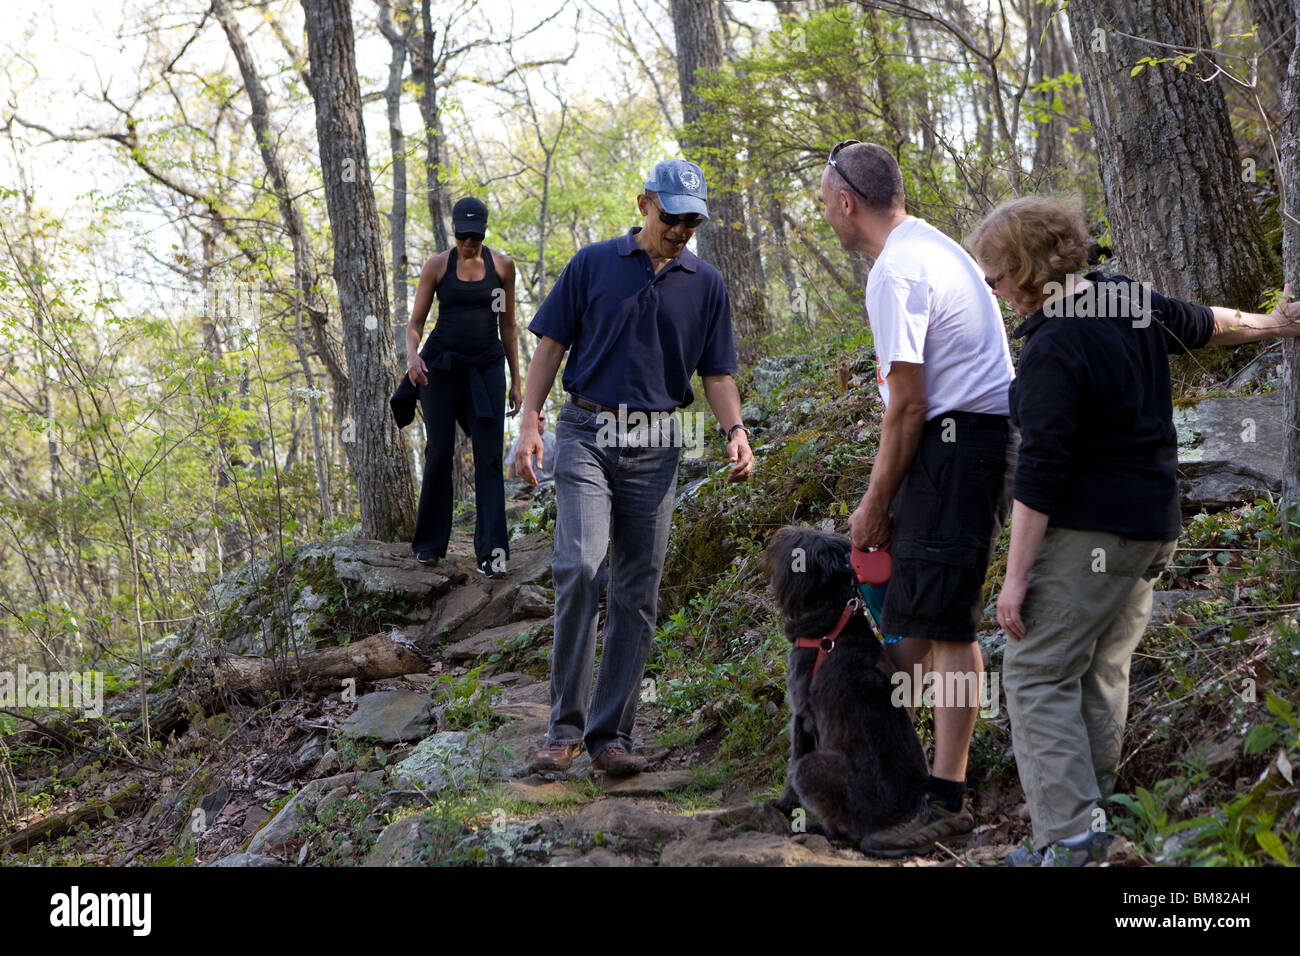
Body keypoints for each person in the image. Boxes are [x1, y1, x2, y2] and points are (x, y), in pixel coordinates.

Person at [967, 195, 1300, 866]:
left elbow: (1039, 476)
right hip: (1153, 526)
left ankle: (1068, 840)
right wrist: (1273, 324)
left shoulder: (1053, 349)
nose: (993, 289)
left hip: (1092, 534)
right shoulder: (1124, 298)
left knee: (1034, 673)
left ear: (1029, 268)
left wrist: (1014, 578)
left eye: (996, 275)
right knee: (1099, 669)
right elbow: (1205, 324)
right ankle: (1095, 822)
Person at [515, 159, 754, 776]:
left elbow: (717, 373)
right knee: (579, 567)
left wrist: (735, 430)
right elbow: (549, 347)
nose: (681, 230)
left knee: (636, 592)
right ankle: (562, 729)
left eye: (692, 222)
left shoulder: (706, 283)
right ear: (645, 203)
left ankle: (609, 738)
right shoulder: (593, 264)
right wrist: (529, 420)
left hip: (657, 441)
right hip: (587, 431)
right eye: (672, 216)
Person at [818, 141, 1018, 856]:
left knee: (950, 625)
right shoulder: (934, 245)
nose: (824, 216)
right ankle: (909, 777)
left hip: (955, 447)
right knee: (922, 620)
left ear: (847, 201)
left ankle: (946, 798)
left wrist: (875, 504)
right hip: (968, 444)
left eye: (823, 202)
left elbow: (906, 405)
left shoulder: (897, 270)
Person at [405, 197, 521, 578]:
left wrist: (517, 380)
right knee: (439, 452)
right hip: (441, 366)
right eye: (463, 235)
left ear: (485, 232)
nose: (469, 242)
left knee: (489, 458)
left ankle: (493, 555)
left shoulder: (502, 266)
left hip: (487, 367)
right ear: (453, 230)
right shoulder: (437, 267)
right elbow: (415, 324)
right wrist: (412, 357)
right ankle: (428, 546)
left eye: (476, 236)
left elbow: (507, 325)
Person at [506, 410, 557, 486]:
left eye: (541, 419)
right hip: (522, 487)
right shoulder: (519, 442)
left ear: (545, 421)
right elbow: (511, 467)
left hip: (548, 486)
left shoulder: (554, 441)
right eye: (535, 419)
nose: (538, 421)